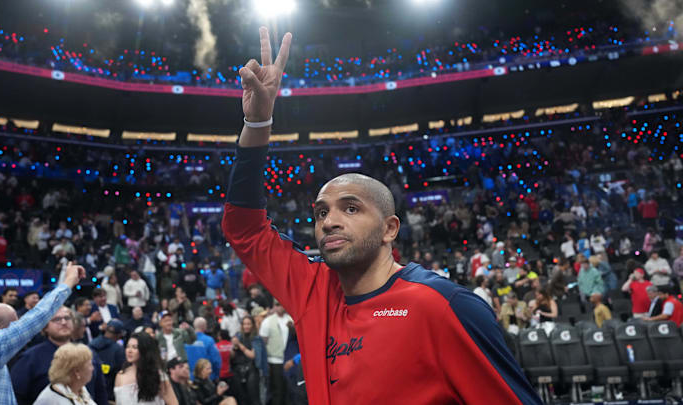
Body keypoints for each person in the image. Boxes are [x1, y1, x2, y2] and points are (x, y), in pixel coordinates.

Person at [221, 26, 540, 405]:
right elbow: (244, 229)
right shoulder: (311, 288)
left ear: (390, 229)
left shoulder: (443, 306)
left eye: (351, 208)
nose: (330, 221)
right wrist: (257, 123)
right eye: (322, 212)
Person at [0, 262, 84, 404]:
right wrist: (69, 281)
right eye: (14, 326)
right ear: (0, 331)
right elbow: (38, 316)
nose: (19, 333)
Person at [11, 303, 108, 405]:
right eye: (56, 319)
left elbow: (100, 392)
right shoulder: (30, 358)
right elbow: (17, 396)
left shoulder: (88, 352)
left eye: (67, 318)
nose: (63, 322)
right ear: (45, 327)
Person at [114, 332, 178, 404]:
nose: (129, 351)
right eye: (128, 346)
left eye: (135, 347)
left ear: (144, 350)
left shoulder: (158, 375)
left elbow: (173, 402)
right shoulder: (121, 375)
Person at [259, 300, 293, 405]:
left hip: (289, 359)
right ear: (274, 306)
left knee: (289, 390)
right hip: (274, 360)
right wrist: (265, 362)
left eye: (282, 304)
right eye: (277, 305)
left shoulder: (291, 319)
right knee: (277, 390)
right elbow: (263, 343)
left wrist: (292, 329)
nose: (280, 307)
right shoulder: (268, 321)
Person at [89, 319, 126, 400]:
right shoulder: (118, 349)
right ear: (119, 334)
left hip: (90, 391)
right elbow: (122, 371)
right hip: (108, 393)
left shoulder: (90, 344)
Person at [231, 316, 263, 405]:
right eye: (244, 324)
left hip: (252, 370)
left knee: (254, 398)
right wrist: (233, 346)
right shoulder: (238, 335)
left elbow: (252, 355)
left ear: (252, 325)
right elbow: (233, 355)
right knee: (242, 398)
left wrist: (239, 345)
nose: (246, 326)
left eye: (248, 324)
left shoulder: (256, 338)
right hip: (238, 370)